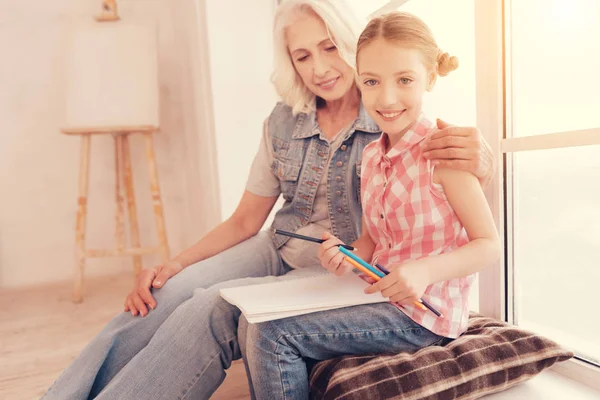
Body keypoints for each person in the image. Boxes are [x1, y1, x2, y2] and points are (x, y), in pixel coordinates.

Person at [42, 1, 494, 399]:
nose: (319, 66)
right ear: (292, 64)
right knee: (165, 294)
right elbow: (244, 220)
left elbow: (450, 168)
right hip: (279, 245)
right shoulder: (285, 120)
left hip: (333, 269)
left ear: (351, 47)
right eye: (303, 55)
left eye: (329, 47)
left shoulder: (384, 111)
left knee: (210, 307)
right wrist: (174, 265)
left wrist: (485, 157)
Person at [239, 10, 501, 400]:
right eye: (373, 82)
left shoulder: (443, 154)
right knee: (253, 321)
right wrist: (345, 256)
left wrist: (424, 270)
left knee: (273, 337)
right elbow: (370, 241)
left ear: (429, 78)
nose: (387, 98)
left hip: (424, 314)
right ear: (358, 81)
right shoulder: (372, 158)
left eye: (405, 80)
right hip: (380, 297)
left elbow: (488, 245)